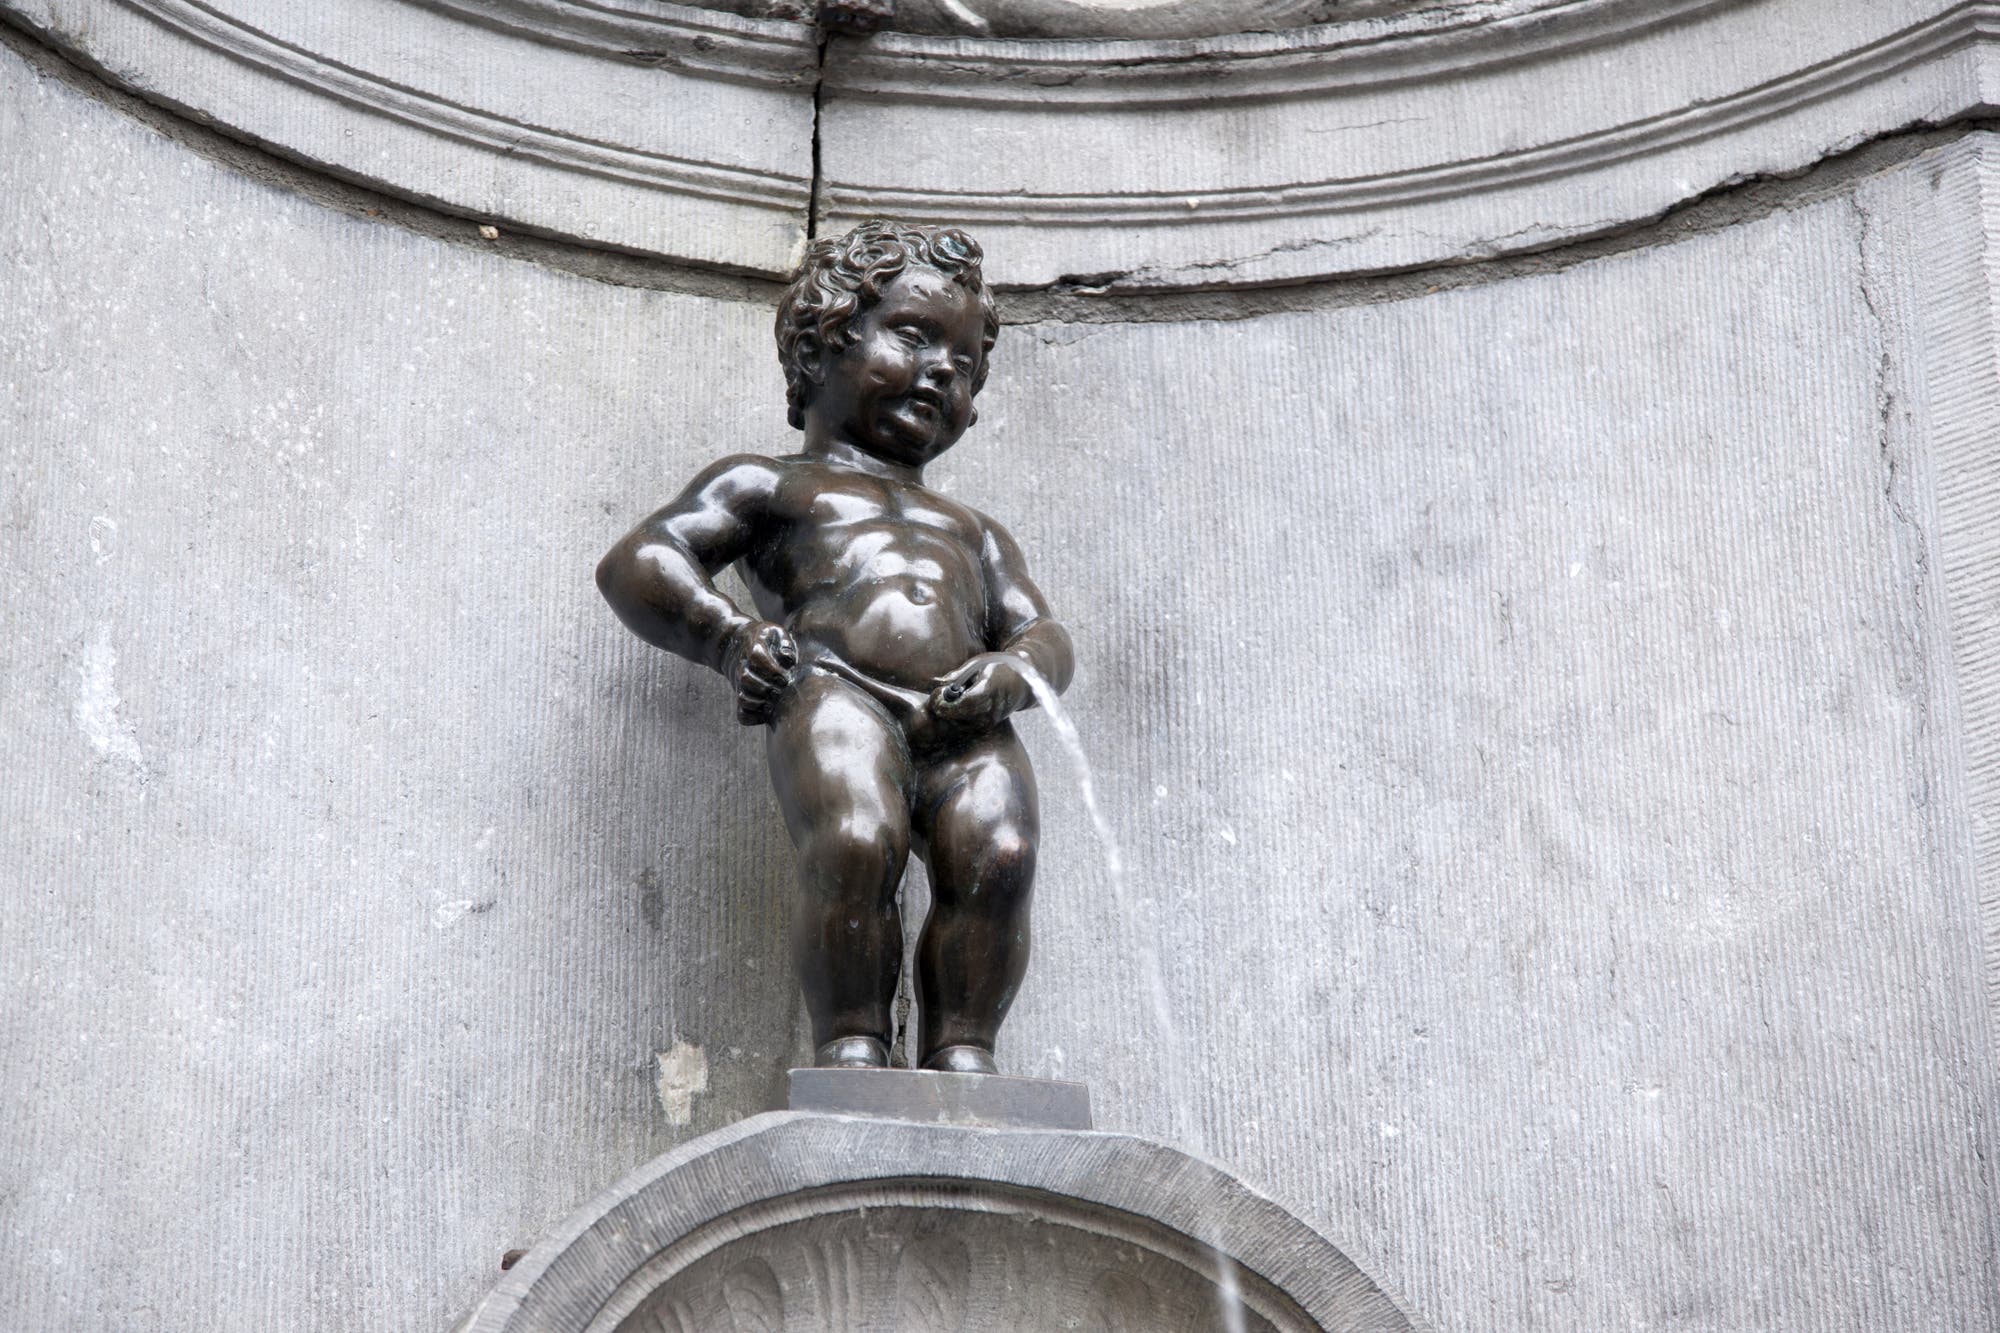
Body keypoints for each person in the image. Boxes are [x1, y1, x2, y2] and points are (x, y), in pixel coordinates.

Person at [597, 220, 1073, 1074]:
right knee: (857, 837)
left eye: (964, 366)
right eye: (915, 336)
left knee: (1000, 854)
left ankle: (966, 1052)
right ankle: (852, 1041)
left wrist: (1012, 672)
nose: (941, 370)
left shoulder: (975, 529)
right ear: (824, 342)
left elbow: (1044, 633)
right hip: (834, 689)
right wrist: (730, 638)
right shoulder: (771, 482)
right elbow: (642, 559)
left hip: (967, 718)